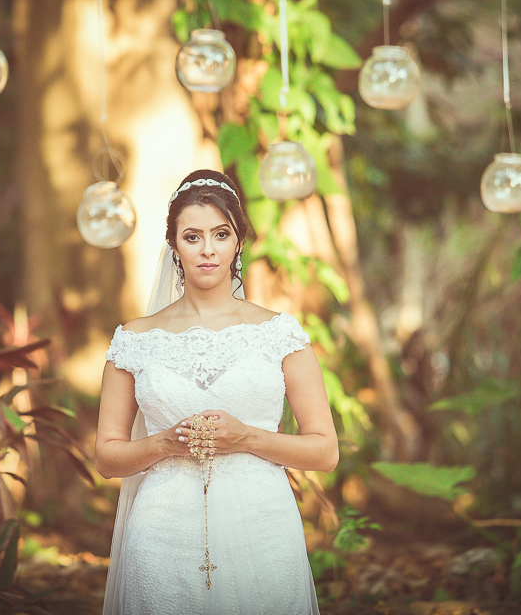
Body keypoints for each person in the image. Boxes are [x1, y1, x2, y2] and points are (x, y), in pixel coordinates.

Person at [95, 169, 339, 615]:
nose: (207, 249)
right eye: (192, 237)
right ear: (174, 245)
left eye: (220, 234)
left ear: (238, 241)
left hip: (264, 526)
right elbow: (107, 456)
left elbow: (325, 451)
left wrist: (246, 437)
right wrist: (166, 443)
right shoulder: (134, 340)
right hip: (162, 531)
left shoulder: (280, 334)